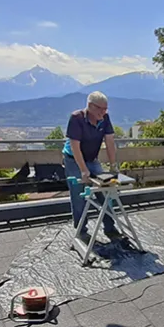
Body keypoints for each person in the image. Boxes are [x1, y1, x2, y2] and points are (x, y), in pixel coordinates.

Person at [62, 91, 120, 239]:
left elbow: (109, 141)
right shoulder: (77, 118)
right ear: (90, 106)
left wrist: (113, 165)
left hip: (92, 158)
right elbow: (75, 146)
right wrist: (83, 170)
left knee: (104, 191)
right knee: (78, 195)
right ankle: (81, 230)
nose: (103, 112)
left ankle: (110, 227)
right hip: (73, 159)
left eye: (105, 109)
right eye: (100, 108)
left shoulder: (105, 118)